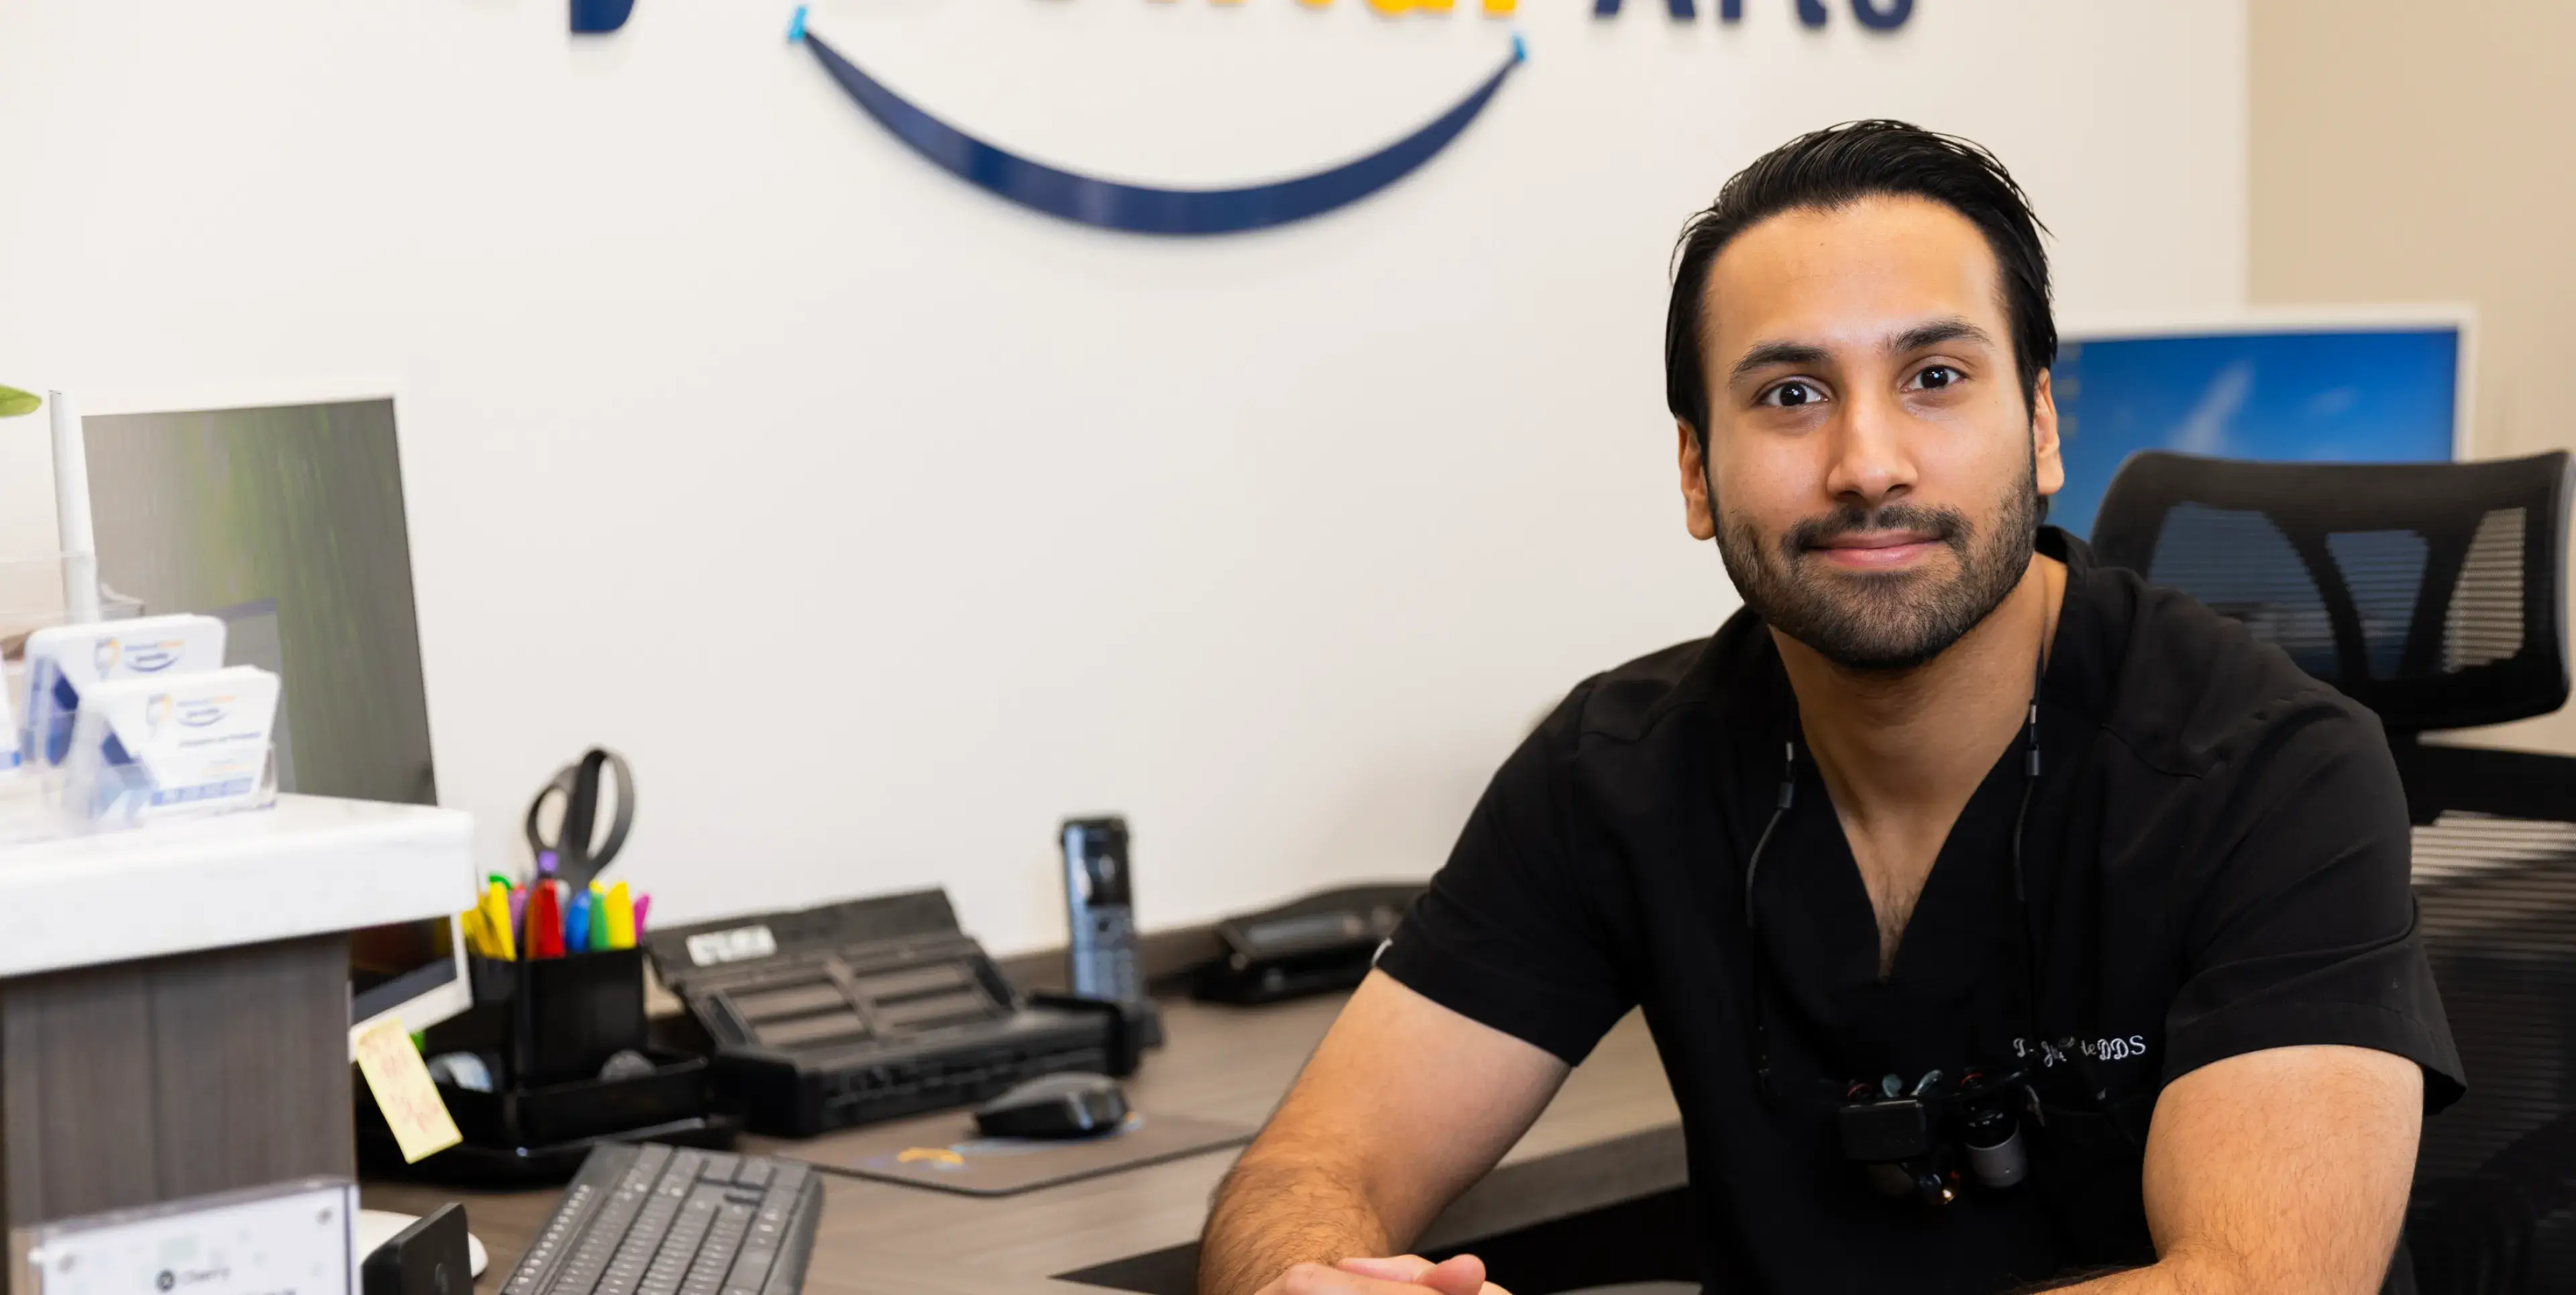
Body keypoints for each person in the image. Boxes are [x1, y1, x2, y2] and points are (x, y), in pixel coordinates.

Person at [1197, 121, 2464, 1295]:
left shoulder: (2274, 770)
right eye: (1790, 394)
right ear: (1697, 470)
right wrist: (1298, 1272)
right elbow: (1309, 1169)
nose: (1868, 462)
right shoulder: (1612, 771)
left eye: (1935, 376)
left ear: (2038, 426)